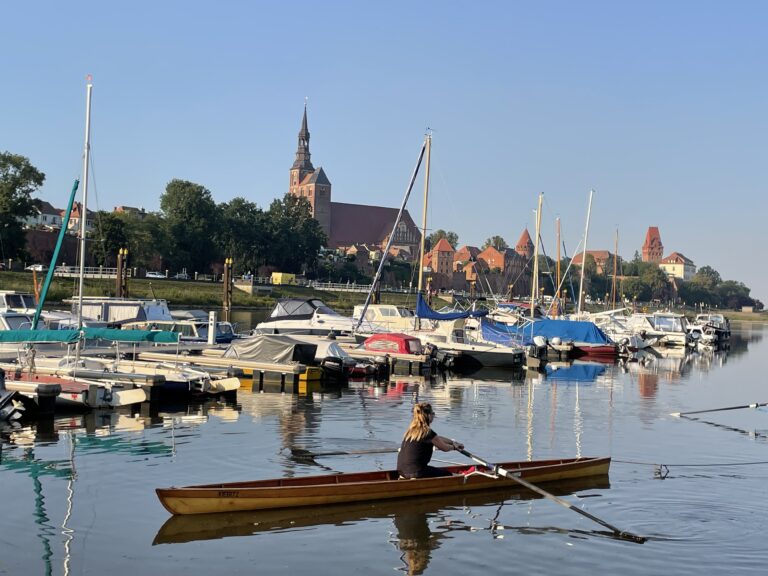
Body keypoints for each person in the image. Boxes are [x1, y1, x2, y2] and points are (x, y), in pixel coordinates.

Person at [397, 402, 464, 479]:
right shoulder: (427, 433)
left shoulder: (411, 432)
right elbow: (445, 448)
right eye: (433, 413)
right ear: (428, 415)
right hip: (417, 472)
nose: (434, 415)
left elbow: (438, 438)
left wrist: (453, 442)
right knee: (447, 473)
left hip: (401, 471)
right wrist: (454, 447)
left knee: (431, 470)